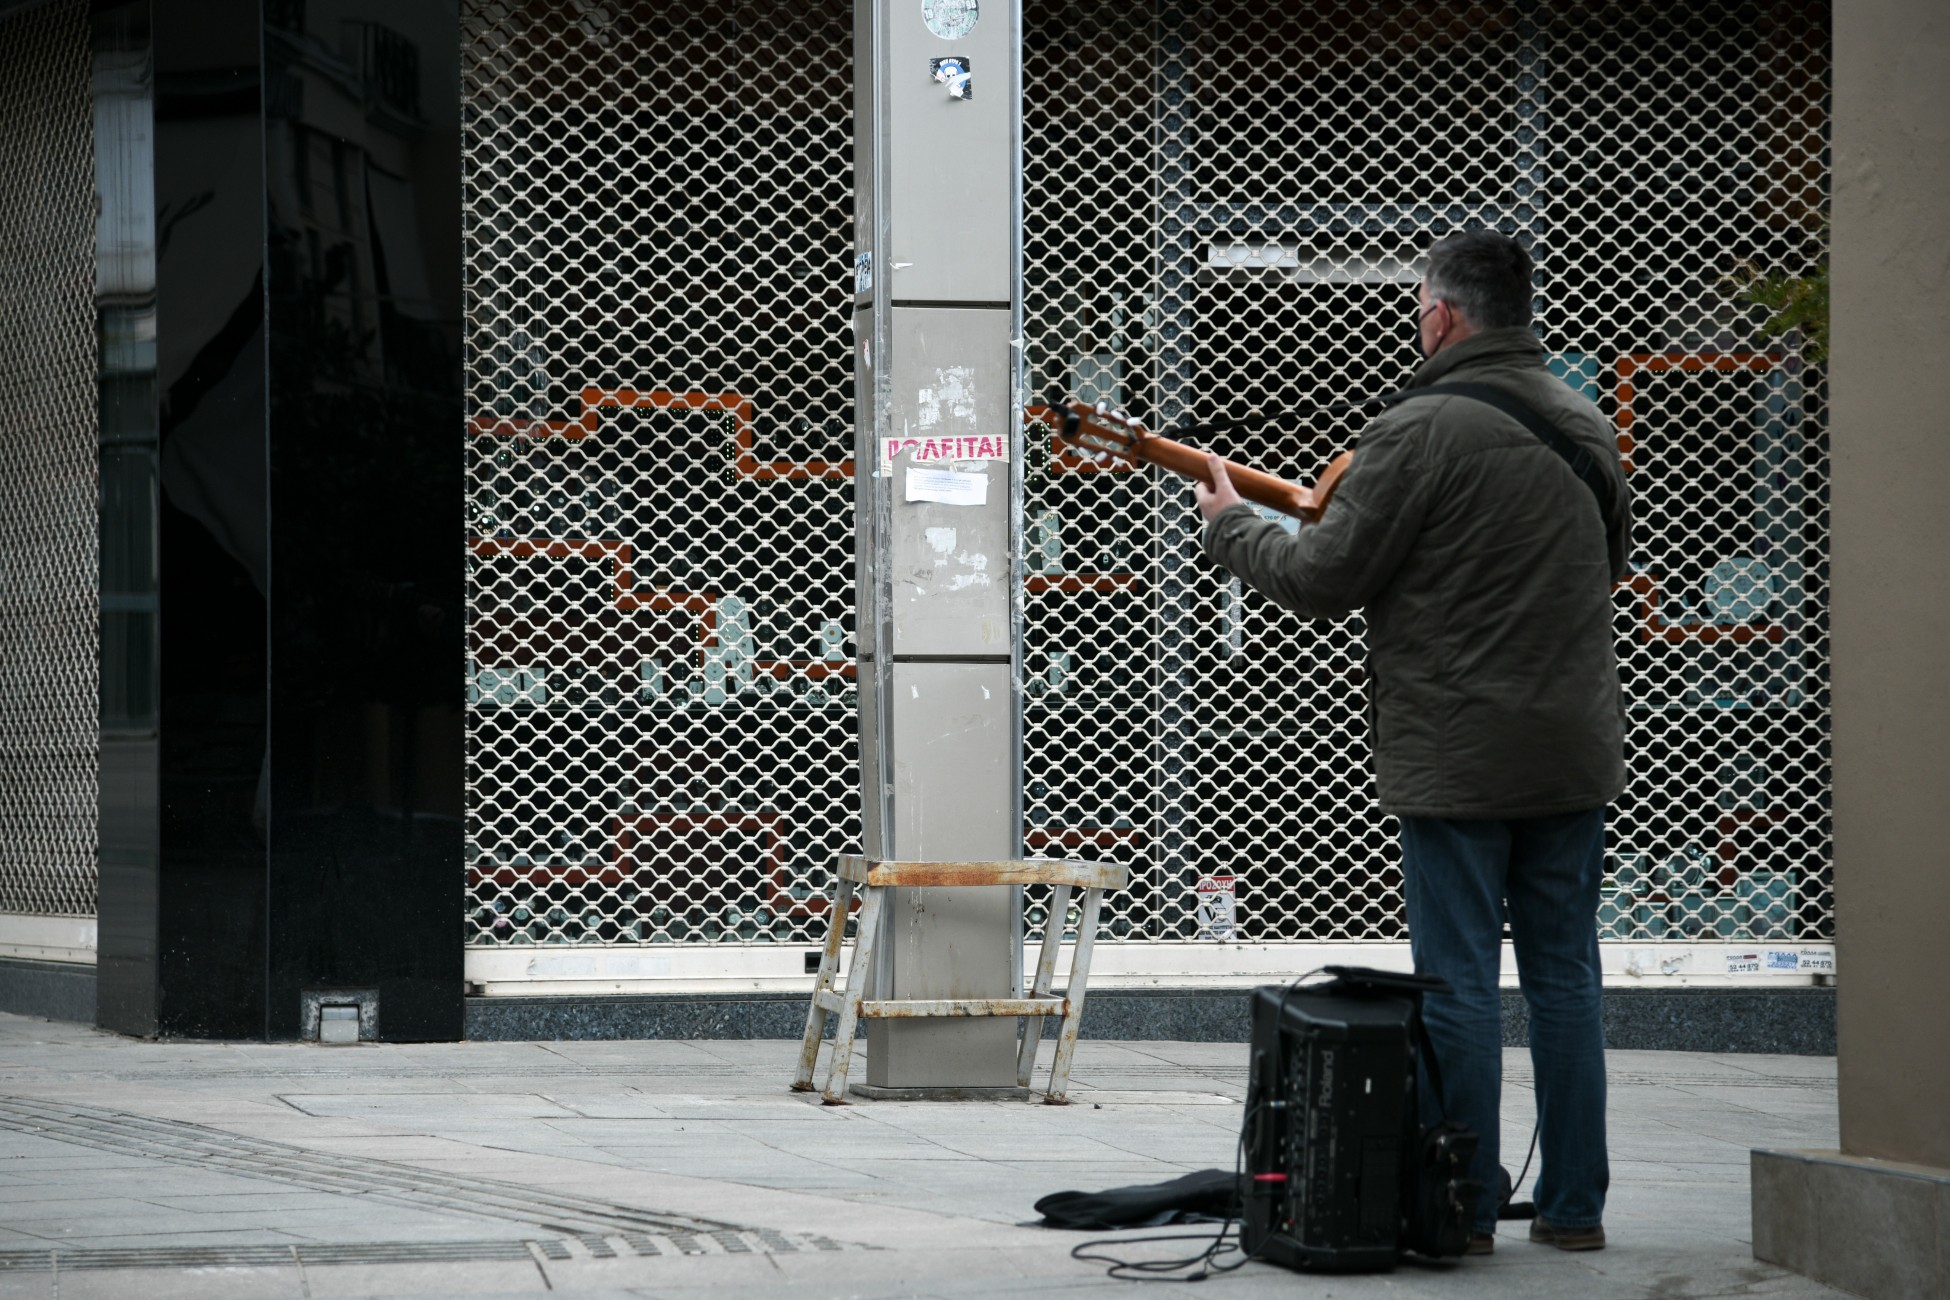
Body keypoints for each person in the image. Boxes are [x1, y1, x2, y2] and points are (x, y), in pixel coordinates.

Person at [1193, 230, 1631, 1255]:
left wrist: (1228, 522)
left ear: (1440, 312)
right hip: (1572, 750)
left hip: (1457, 753)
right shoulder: (1592, 426)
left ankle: (1463, 1206)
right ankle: (1575, 1209)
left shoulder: (1417, 428)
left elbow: (1319, 580)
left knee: (1461, 979)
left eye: (1418, 306)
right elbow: (1603, 568)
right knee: (1567, 976)